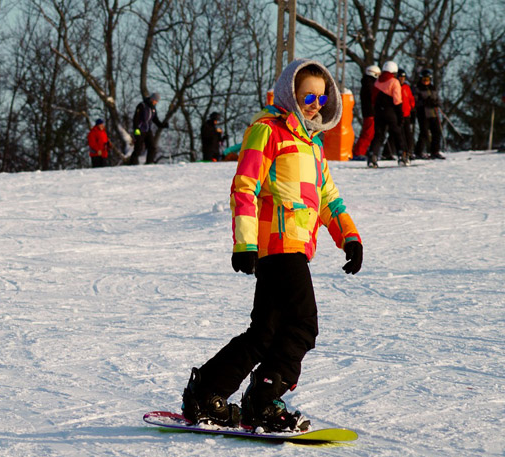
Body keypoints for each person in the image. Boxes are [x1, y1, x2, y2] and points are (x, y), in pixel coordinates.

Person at [180, 59, 363, 433]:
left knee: (264, 333)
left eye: (321, 96)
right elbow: (245, 186)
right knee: (302, 325)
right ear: (290, 96)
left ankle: (208, 392)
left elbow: (329, 199)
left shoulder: (312, 145)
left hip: (297, 247)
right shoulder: (267, 131)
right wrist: (244, 243)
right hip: (277, 246)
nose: (315, 103)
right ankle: (263, 400)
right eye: (307, 95)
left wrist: (349, 236)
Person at [367, 61, 407, 167]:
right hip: (390, 111)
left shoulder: (377, 82)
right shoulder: (394, 82)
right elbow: (397, 100)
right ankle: (402, 155)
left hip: (378, 111)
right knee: (397, 132)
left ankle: (372, 155)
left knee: (379, 135)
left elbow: (373, 99)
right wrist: (400, 115)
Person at [127, 92, 168, 165]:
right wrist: (136, 130)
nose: (156, 102)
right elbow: (135, 118)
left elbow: (155, 119)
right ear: (152, 99)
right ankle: (132, 164)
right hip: (140, 129)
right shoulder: (142, 105)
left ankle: (149, 163)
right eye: (156, 101)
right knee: (138, 149)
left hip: (148, 130)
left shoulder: (153, 108)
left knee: (152, 147)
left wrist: (162, 125)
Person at [413, 69, 446, 160]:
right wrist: (425, 102)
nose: (426, 81)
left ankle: (435, 151)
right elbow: (415, 101)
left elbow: (438, 99)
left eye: (427, 79)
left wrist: (436, 103)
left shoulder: (432, 88)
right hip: (423, 113)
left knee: (436, 132)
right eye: (424, 79)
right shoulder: (418, 89)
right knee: (424, 133)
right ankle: (418, 152)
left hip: (433, 114)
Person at [352, 65, 380, 160]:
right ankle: (359, 152)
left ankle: (362, 151)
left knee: (369, 133)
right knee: (368, 133)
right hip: (370, 112)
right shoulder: (369, 84)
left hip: (368, 112)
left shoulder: (367, 83)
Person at [397, 69, 416, 160]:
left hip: (407, 113)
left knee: (408, 133)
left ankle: (409, 151)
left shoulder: (406, 87)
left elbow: (411, 98)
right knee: (399, 134)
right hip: (398, 114)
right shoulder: (396, 86)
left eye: (403, 77)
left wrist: (412, 106)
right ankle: (401, 152)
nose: (402, 79)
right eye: (400, 77)